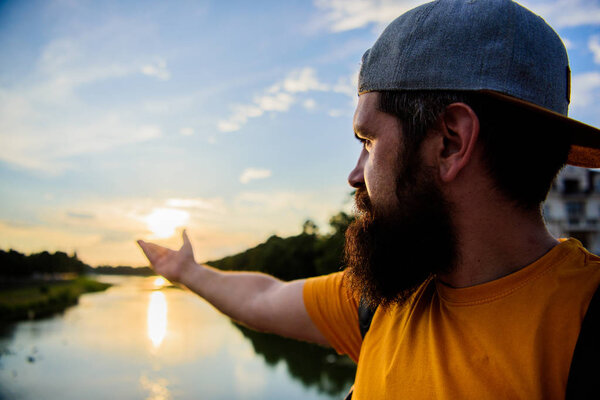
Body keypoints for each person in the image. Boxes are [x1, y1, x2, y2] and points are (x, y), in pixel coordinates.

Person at [137, 0, 600, 398]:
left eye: (369, 140)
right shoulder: (388, 297)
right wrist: (186, 272)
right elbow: (265, 297)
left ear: (450, 142)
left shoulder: (580, 327)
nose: (355, 174)